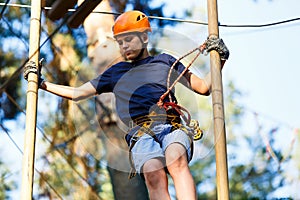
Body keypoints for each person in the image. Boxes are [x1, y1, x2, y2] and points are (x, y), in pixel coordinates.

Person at [24, 10, 229, 200]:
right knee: (153, 174)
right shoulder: (116, 72)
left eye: (128, 40)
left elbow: (203, 87)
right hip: (141, 133)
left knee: (176, 160)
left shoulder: (165, 61)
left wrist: (218, 59)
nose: (124, 46)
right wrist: (42, 83)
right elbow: (78, 93)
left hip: (170, 124)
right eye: (120, 43)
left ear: (145, 38)